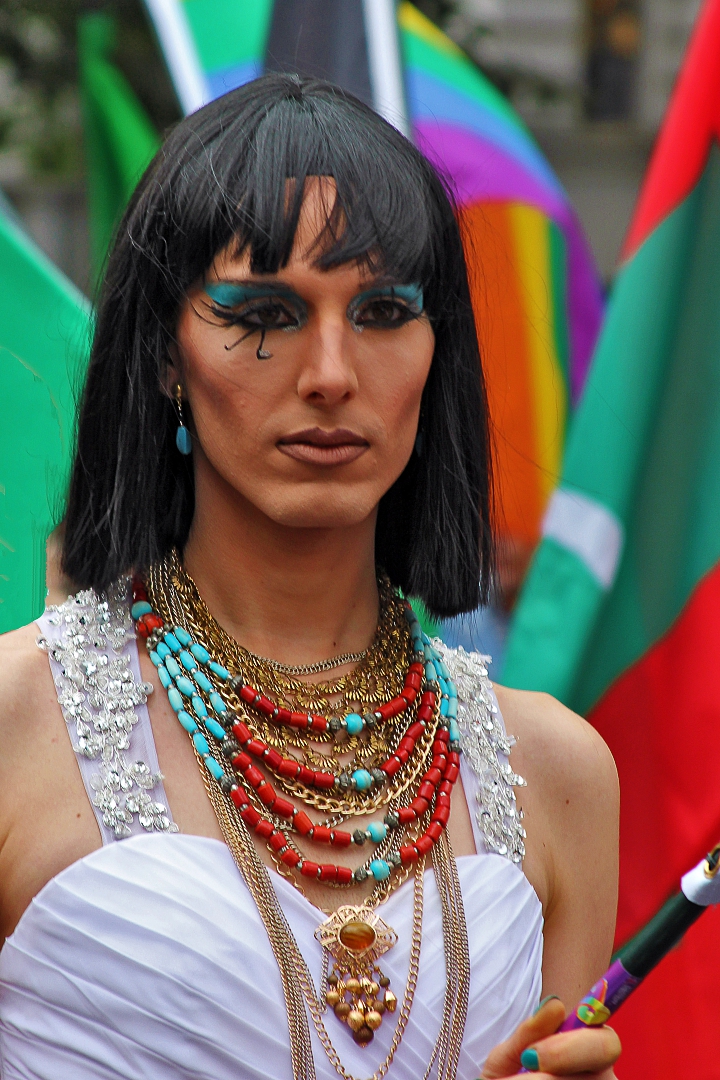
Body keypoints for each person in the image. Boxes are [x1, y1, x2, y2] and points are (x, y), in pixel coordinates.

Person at [0, 74, 620, 1080]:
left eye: (381, 310)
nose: (331, 371)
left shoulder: (561, 773)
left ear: (436, 351)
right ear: (165, 350)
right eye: (266, 313)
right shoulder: (13, 725)